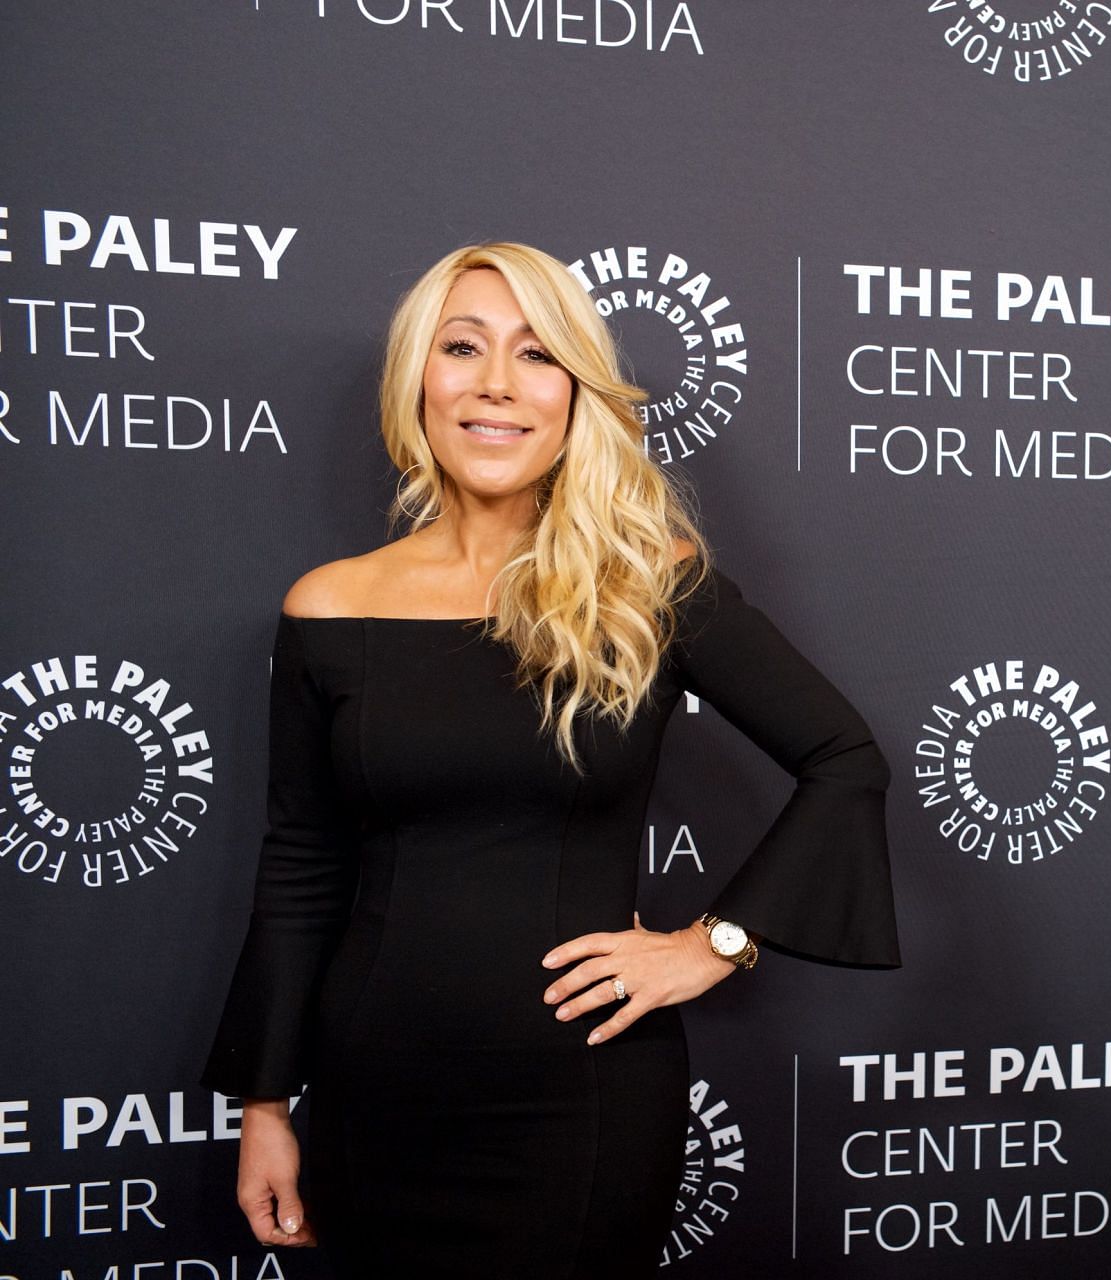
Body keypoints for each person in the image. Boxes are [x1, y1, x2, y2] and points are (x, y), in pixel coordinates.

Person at [199, 241, 900, 1276]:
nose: (496, 385)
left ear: (576, 390)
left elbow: (845, 757)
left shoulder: (649, 584)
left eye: (537, 355)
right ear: (417, 382)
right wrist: (265, 1102)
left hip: (581, 1098)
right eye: (462, 347)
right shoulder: (331, 603)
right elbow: (301, 863)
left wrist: (715, 943)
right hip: (376, 1089)